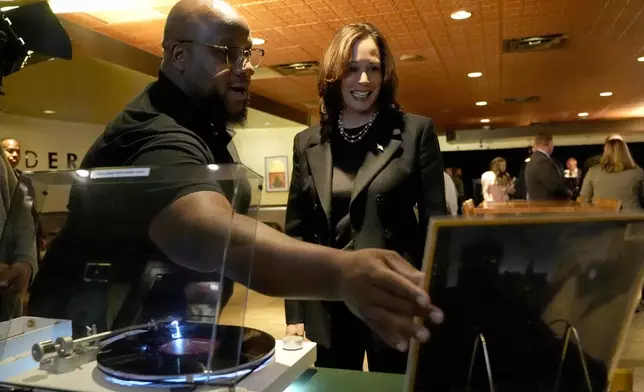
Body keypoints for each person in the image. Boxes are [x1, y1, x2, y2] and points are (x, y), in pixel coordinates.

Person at [27, 0, 442, 349]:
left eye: (248, 54)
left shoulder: (203, 125)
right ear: (178, 55)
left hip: (149, 337)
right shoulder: (156, 133)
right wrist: (342, 273)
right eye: (227, 53)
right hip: (80, 345)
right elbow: (205, 230)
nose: (245, 68)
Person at [283, 23, 446, 373]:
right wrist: (295, 309)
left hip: (394, 297)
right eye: (352, 69)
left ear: (385, 74)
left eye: (373, 68)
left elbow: (436, 224)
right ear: (334, 74)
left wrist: (431, 295)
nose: (364, 80)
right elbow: (296, 231)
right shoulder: (307, 142)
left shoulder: (415, 132)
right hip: (328, 296)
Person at [1, 137, 46, 264]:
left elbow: (32, 209)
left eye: (18, 151)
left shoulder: (25, 179)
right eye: (9, 150)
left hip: (27, 237)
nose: (15, 154)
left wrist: (41, 235)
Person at [579, 135, 644, 211]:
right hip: (633, 217)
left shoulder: (593, 171)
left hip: (603, 219)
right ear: (626, 151)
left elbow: (584, 199)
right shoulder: (638, 171)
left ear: (605, 150)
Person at [525, 132, 571, 200]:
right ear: (550, 143)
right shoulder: (542, 161)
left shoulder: (534, 159)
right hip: (546, 206)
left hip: (538, 205)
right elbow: (554, 186)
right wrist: (568, 193)